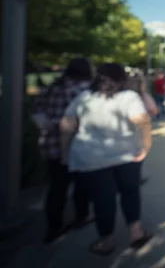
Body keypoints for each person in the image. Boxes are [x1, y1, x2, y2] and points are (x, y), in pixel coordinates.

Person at [60, 63, 153, 255]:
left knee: (103, 199)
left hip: (92, 159)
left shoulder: (83, 98)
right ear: (122, 79)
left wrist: (64, 153)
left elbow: (66, 126)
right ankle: (136, 232)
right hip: (127, 154)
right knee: (130, 192)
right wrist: (146, 144)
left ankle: (106, 240)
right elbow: (141, 119)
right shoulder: (128, 97)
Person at [32, 57, 94, 243]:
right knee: (81, 184)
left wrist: (49, 125)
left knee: (57, 188)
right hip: (78, 144)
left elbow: (35, 112)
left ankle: (53, 228)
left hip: (51, 144)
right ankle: (80, 217)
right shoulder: (86, 90)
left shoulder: (51, 88)